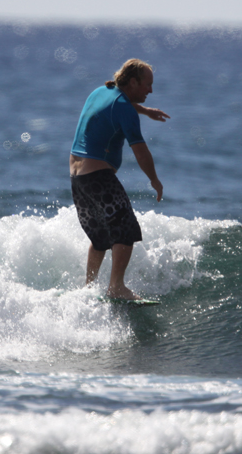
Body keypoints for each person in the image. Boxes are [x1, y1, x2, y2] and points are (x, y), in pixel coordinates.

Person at [69, 58, 170, 300]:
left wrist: (145, 111)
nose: (151, 90)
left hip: (77, 178)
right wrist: (154, 180)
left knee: (101, 236)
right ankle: (116, 288)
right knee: (126, 230)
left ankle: (89, 288)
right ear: (133, 82)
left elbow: (116, 105)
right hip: (98, 177)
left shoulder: (101, 92)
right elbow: (141, 151)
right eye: (147, 84)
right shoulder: (124, 107)